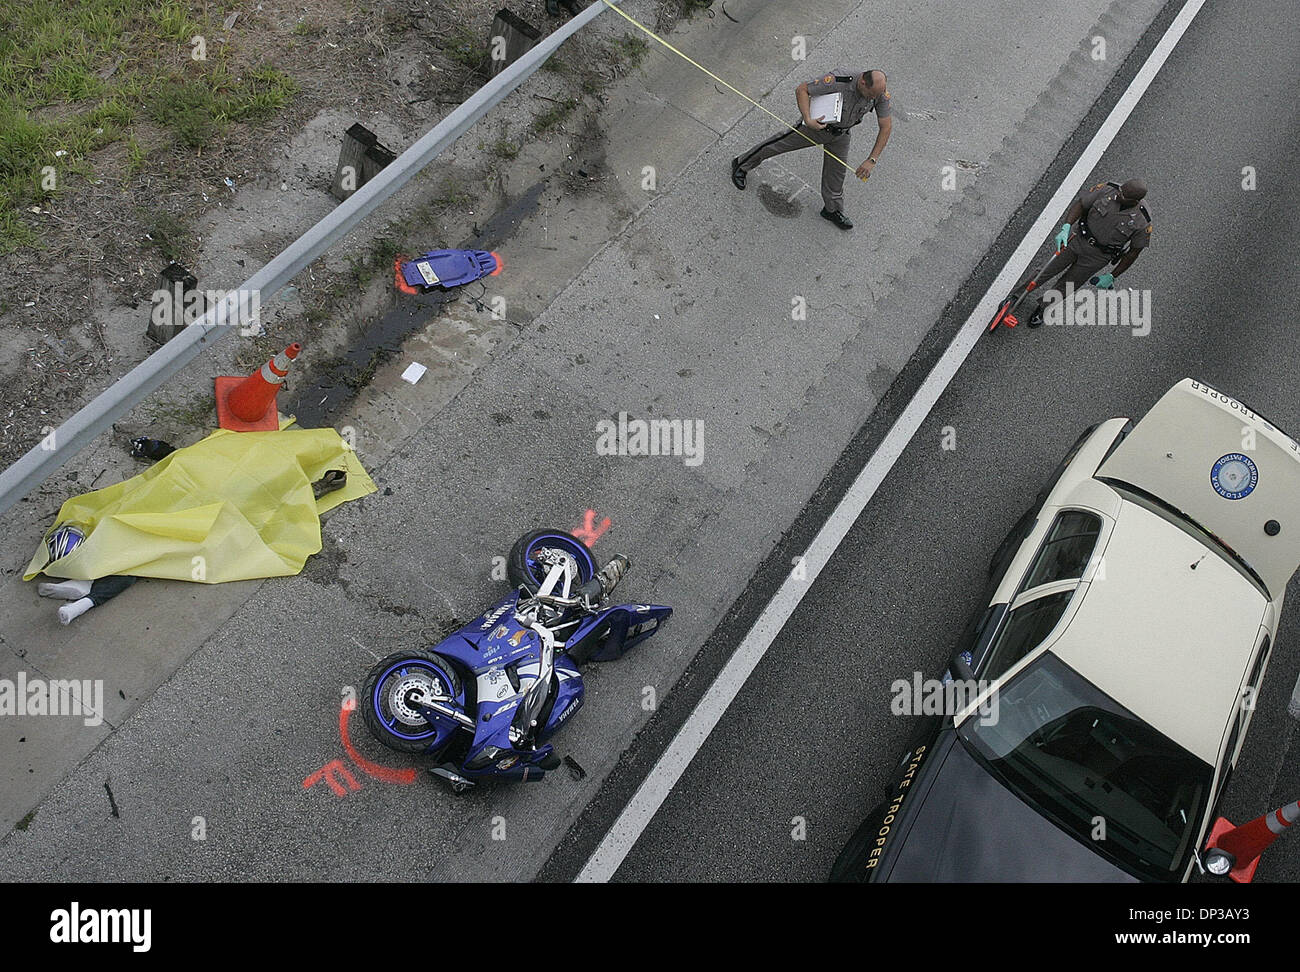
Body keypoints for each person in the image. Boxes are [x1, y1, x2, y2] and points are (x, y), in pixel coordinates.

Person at [731, 69, 893, 230]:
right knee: (778, 144)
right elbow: (802, 89)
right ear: (863, 82)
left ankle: (832, 209)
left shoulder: (879, 93)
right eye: (871, 94)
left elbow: (885, 126)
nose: (873, 98)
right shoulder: (838, 80)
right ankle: (741, 164)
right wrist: (808, 119)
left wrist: (872, 159)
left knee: (836, 174)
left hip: (841, 134)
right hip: (816, 128)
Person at [1028, 178, 1152, 328]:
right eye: (1120, 191)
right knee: (1046, 270)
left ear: (1135, 201)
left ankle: (1043, 307)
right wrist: (1066, 226)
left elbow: (1133, 252)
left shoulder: (1142, 220)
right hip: (1077, 238)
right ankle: (1016, 297)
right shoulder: (1108, 189)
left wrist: (1113, 275)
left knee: (1069, 284)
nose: (1118, 195)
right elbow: (1081, 204)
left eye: (1123, 196)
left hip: (1098, 256)